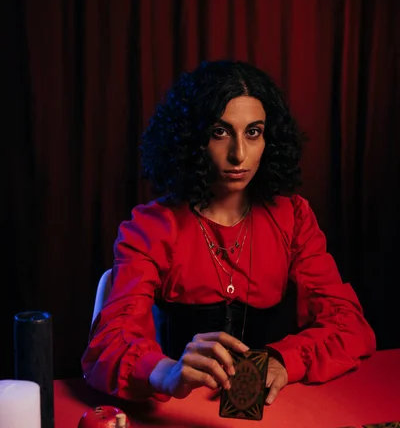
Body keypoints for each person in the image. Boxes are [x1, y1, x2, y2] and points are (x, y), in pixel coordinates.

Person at [81, 60, 376, 405]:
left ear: (270, 139)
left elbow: (349, 325)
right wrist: (166, 373)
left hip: (276, 408)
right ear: (193, 140)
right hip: (178, 412)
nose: (239, 154)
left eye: (253, 132)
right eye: (220, 132)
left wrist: (284, 360)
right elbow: (109, 342)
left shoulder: (293, 217)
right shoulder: (153, 226)